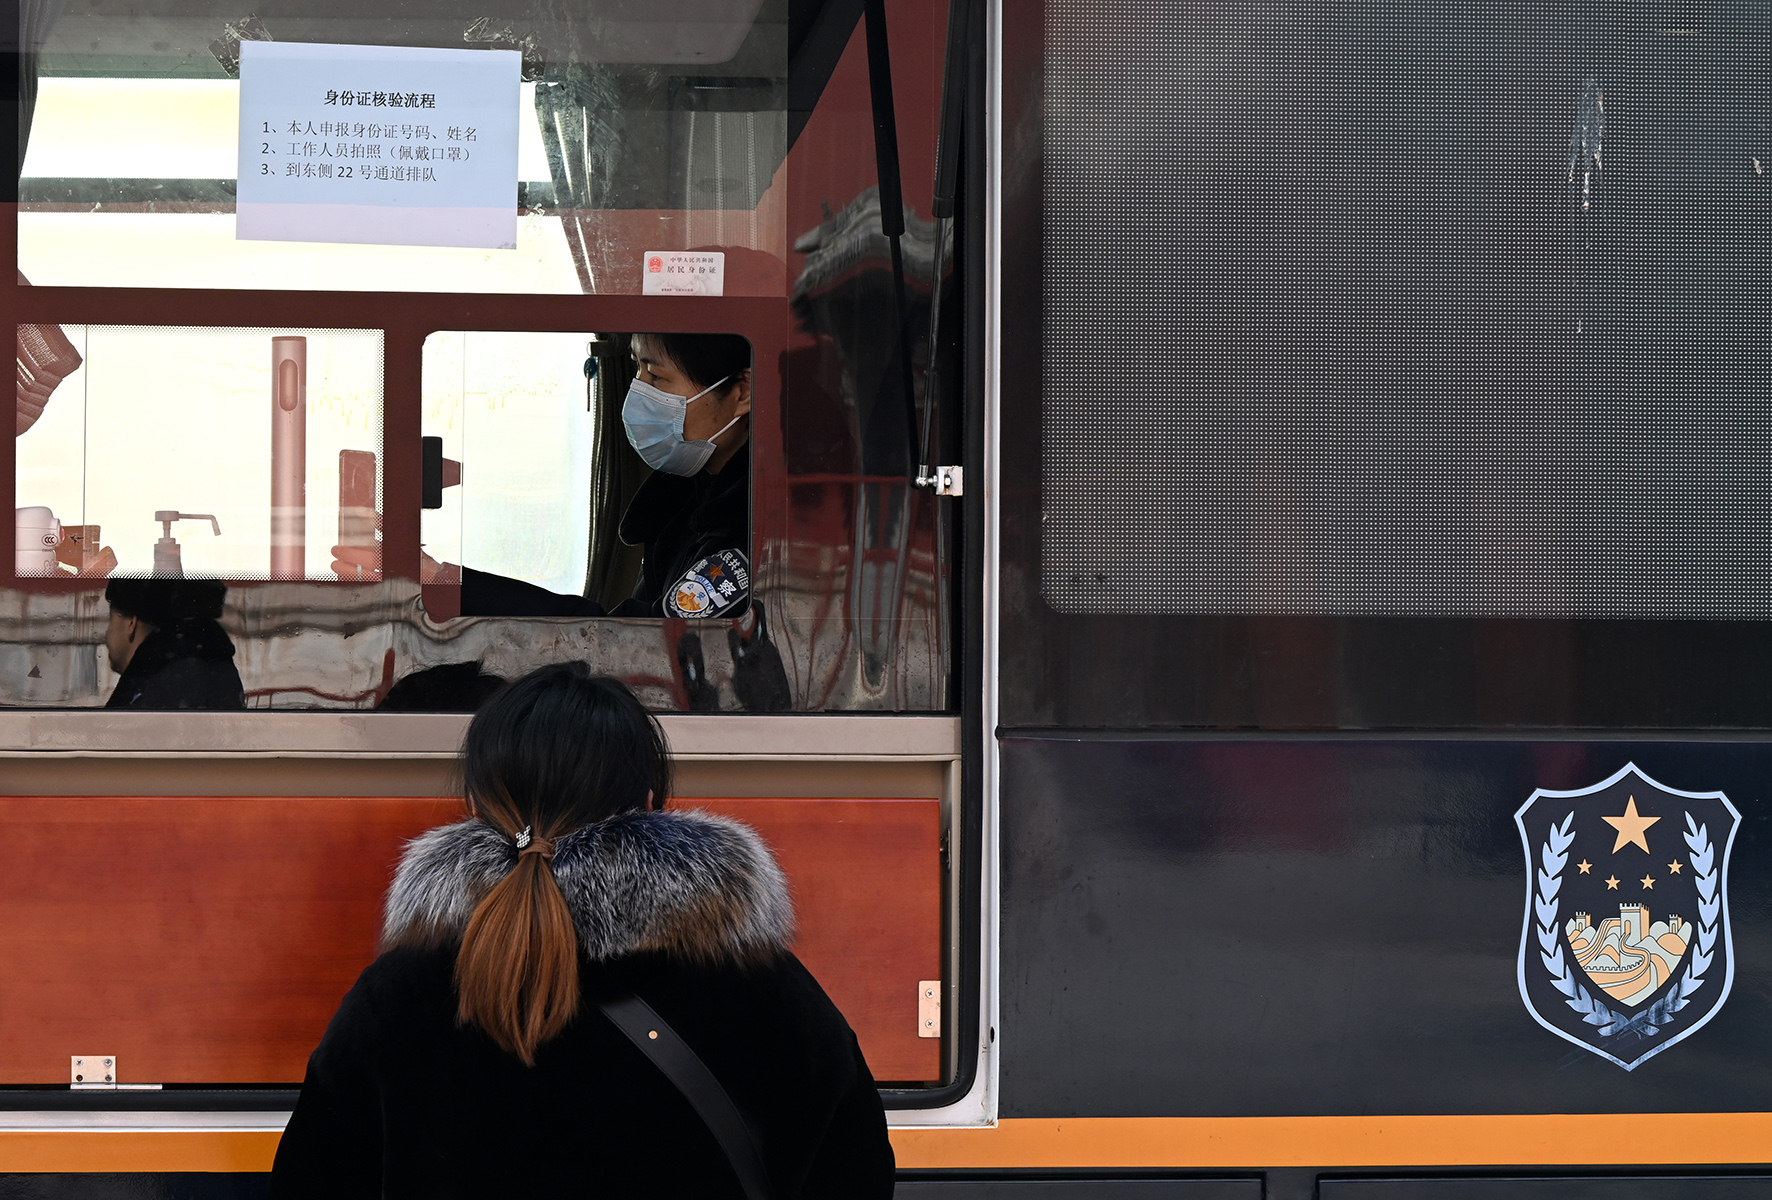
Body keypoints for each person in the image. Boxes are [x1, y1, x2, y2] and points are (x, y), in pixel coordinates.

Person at [270, 664, 894, 1198]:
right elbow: (858, 1174)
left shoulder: (394, 1001)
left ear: (480, 811)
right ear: (649, 804)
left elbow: (309, 1182)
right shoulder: (770, 995)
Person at [331, 333, 753, 620]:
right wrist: (440, 578)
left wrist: (445, 582)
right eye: (636, 370)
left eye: (657, 378)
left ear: (742, 393)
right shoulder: (687, 492)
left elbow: (643, 642)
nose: (637, 392)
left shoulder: (754, 529)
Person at [102, 578, 245, 710]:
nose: (107, 634)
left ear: (131, 624)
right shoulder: (213, 666)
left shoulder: (155, 693)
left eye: (111, 620)